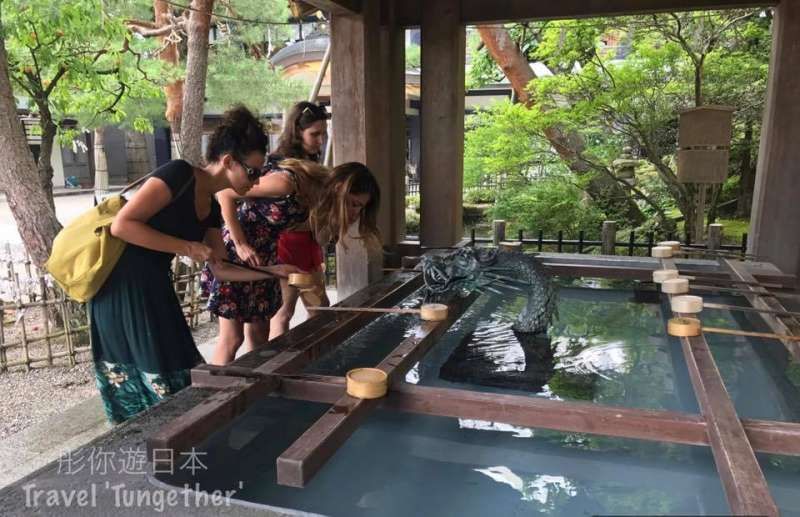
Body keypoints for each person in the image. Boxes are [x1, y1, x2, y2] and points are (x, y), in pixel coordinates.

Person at [91, 105, 300, 424]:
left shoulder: (212, 208)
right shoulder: (178, 174)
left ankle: (175, 441)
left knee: (179, 363)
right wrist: (187, 246)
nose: (257, 180)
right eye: (253, 171)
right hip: (123, 284)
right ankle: (152, 446)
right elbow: (123, 225)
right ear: (229, 161)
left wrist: (271, 272)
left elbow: (222, 268)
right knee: (153, 368)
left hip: (154, 282)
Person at [205, 158, 328, 365]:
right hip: (238, 255)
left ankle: (256, 389)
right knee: (232, 339)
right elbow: (225, 193)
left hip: (266, 255)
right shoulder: (286, 183)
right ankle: (210, 394)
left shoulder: (310, 195)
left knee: (260, 334)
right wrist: (241, 243)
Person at [268, 102, 331, 338]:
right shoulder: (279, 165)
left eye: (323, 134)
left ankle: (314, 357)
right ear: (297, 132)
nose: (321, 140)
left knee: (320, 309)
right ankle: (277, 363)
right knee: (283, 312)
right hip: (286, 244)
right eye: (315, 134)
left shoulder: (312, 161)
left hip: (309, 243)